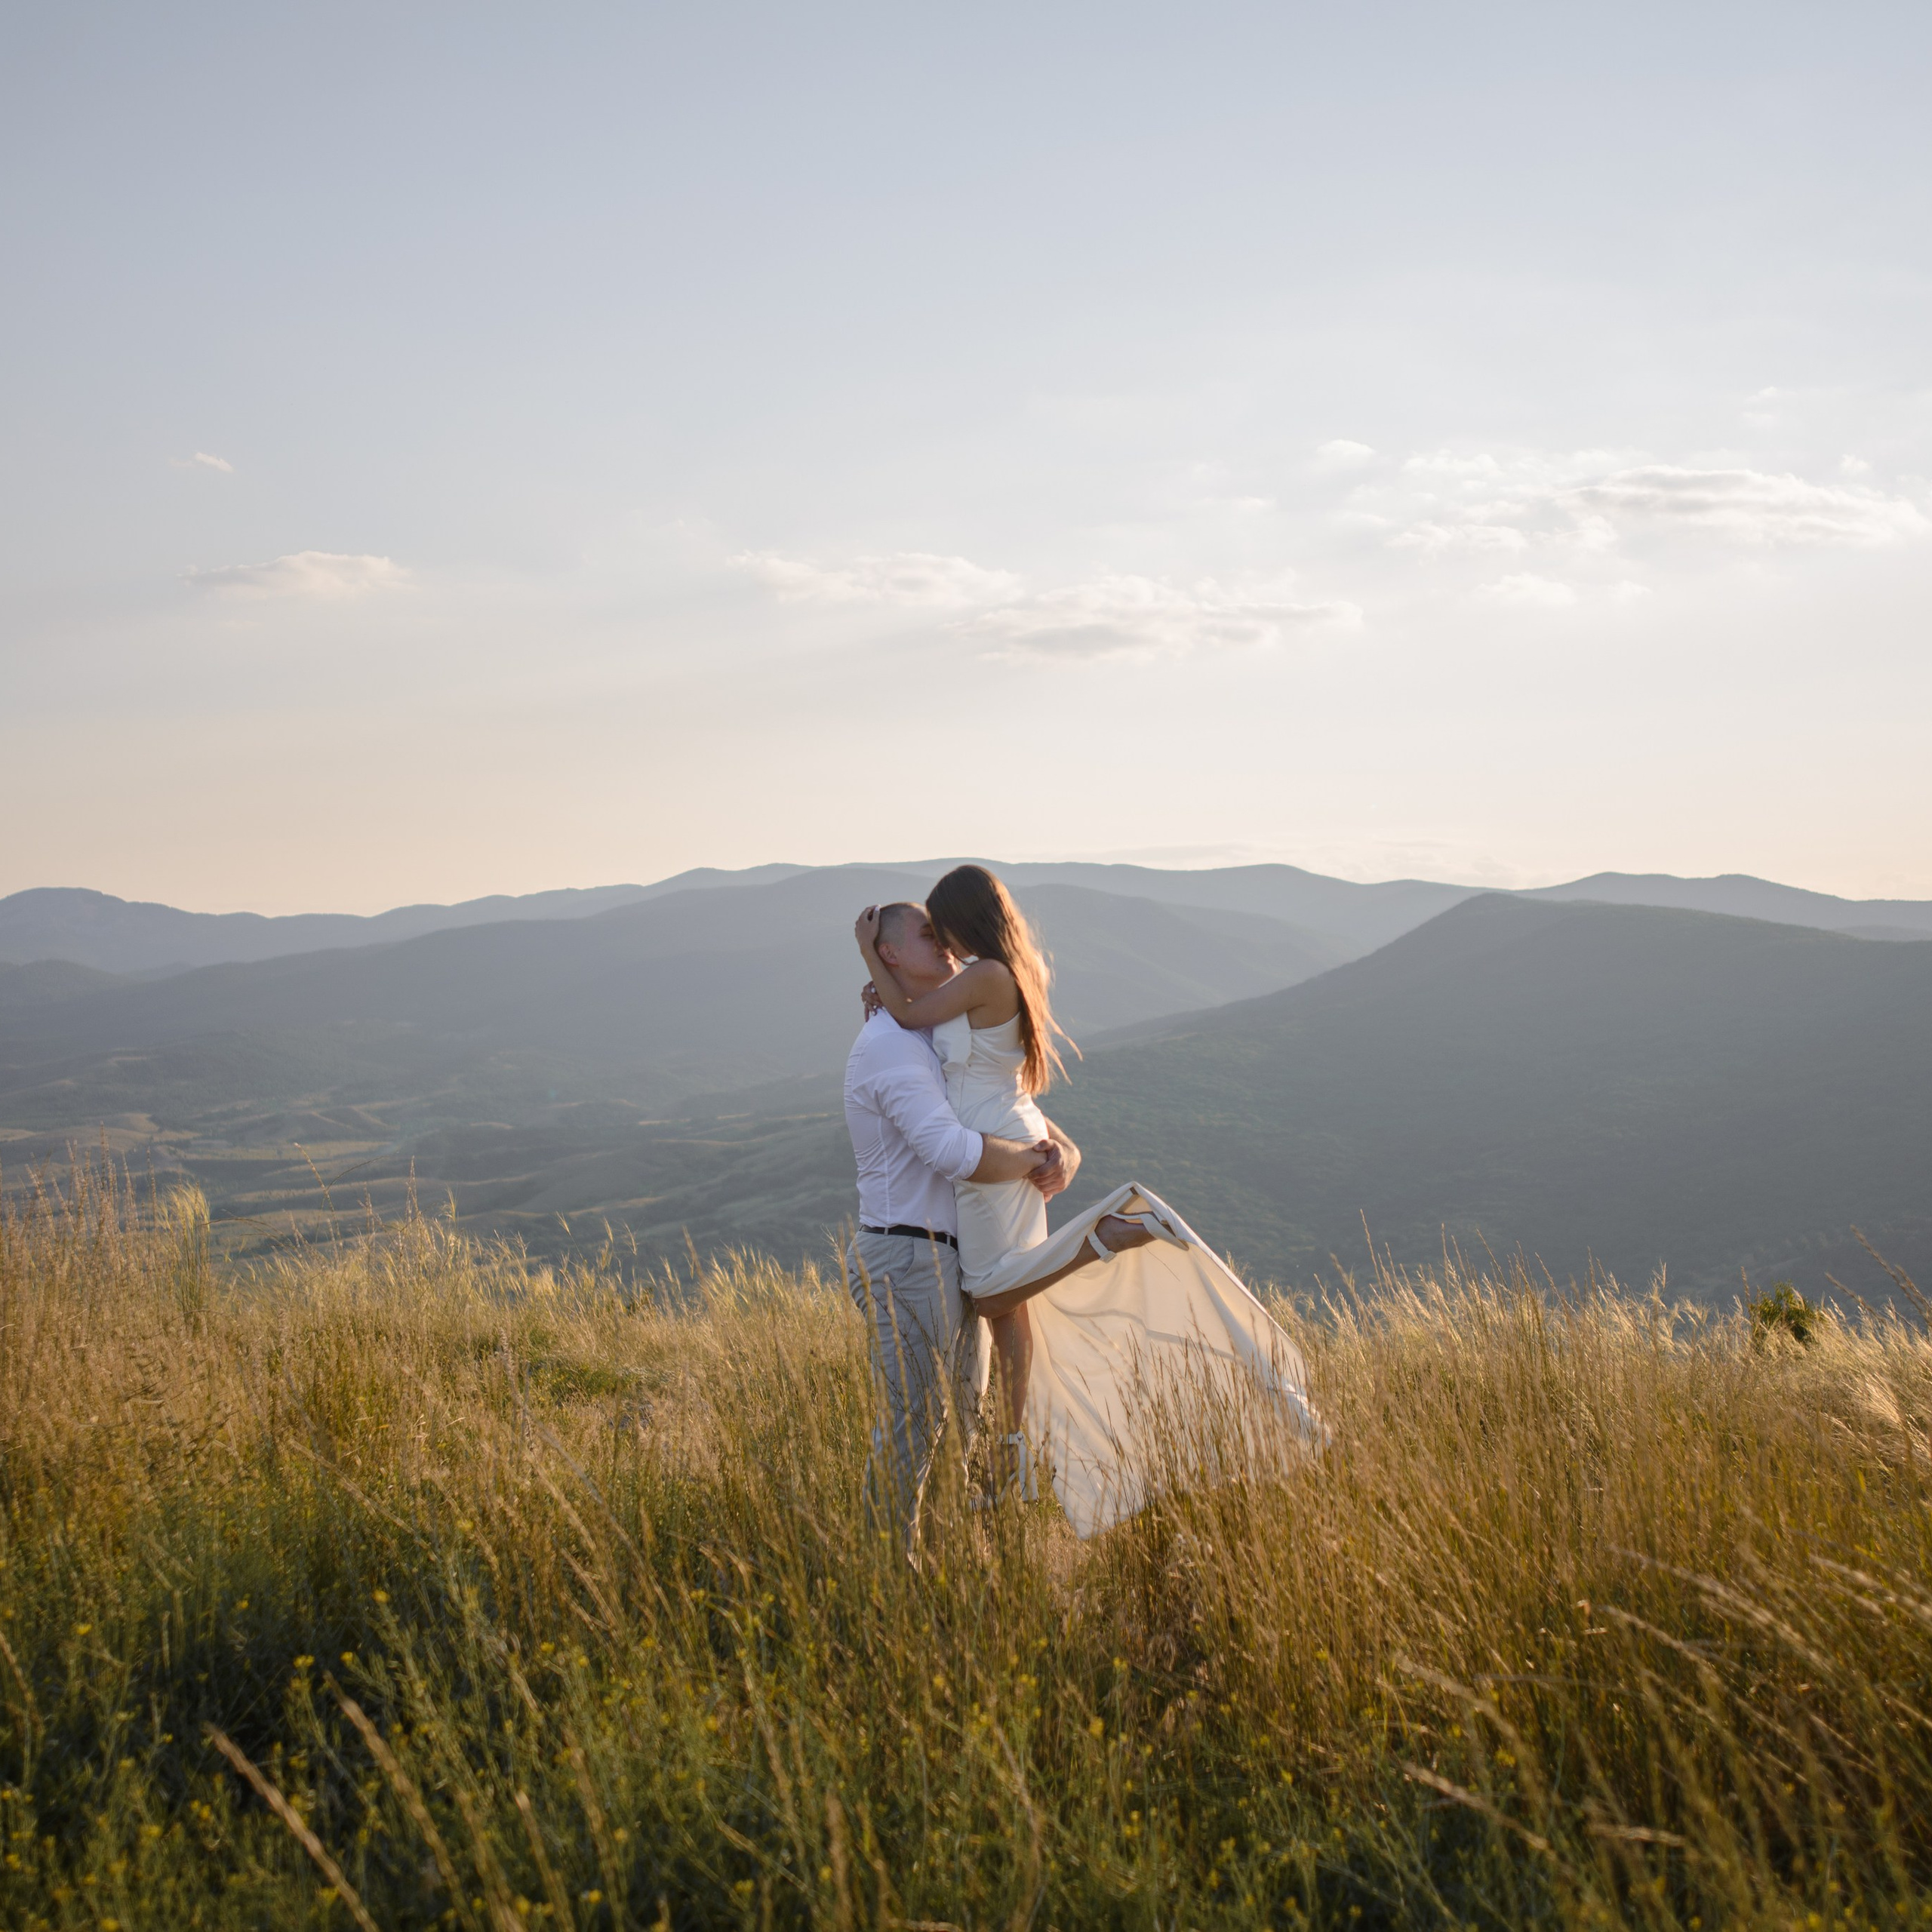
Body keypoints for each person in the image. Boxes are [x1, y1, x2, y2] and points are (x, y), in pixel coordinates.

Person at [854, 865, 1327, 1540]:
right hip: (1014, 1125)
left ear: (963, 917)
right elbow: (963, 1049)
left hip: (992, 1149)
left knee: (989, 1294)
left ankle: (1105, 1231)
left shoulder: (984, 976)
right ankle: (1011, 1455)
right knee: (1009, 1311)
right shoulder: (1014, 970)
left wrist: (868, 948)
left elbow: (911, 1016)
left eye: (943, 928)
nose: (945, 945)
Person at [842, 897, 1154, 1544]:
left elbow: (998, 1098)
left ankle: (946, 1562)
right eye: (930, 936)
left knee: (959, 1422)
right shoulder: (891, 1047)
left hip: (947, 1256)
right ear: (892, 952)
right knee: (913, 1425)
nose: (947, 944)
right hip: (907, 1258)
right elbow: (954, 1152)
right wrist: (1031, 1158)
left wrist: (1060, 1147)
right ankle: (882, 1578)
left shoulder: (933, 1025)